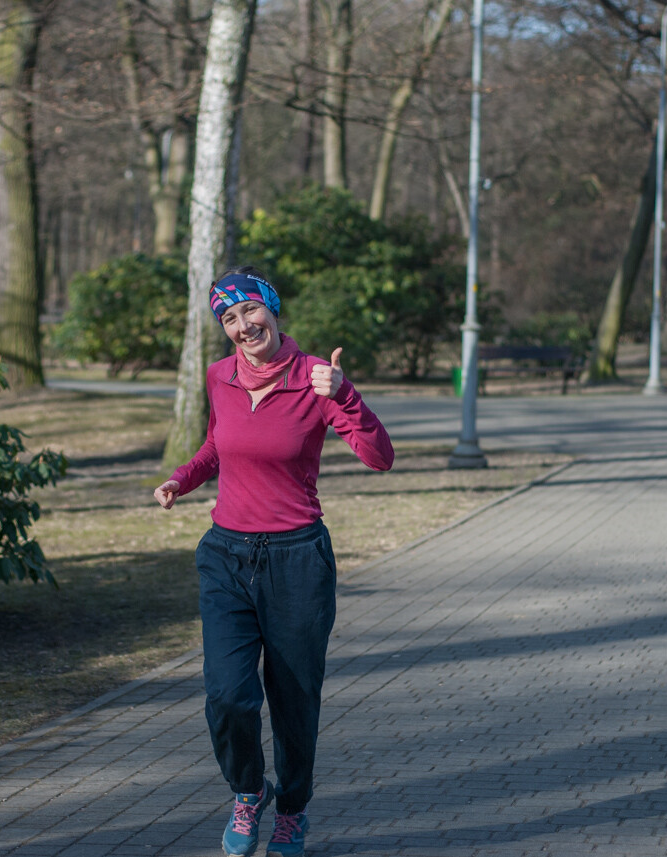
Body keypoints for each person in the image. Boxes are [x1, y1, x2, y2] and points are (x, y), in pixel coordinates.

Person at [153, 266, 394, 857]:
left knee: (293, 701)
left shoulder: (317, 380)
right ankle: (247, 790)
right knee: (228, 696)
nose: (241, 326)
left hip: (296, 563)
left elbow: (379, 458)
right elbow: (216, 445)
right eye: (228, 318)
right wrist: (182, 480)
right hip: (225, 556)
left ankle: (291, 810)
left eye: (249, 311)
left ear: (272, 309)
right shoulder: (219, 376)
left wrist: (345, 394)